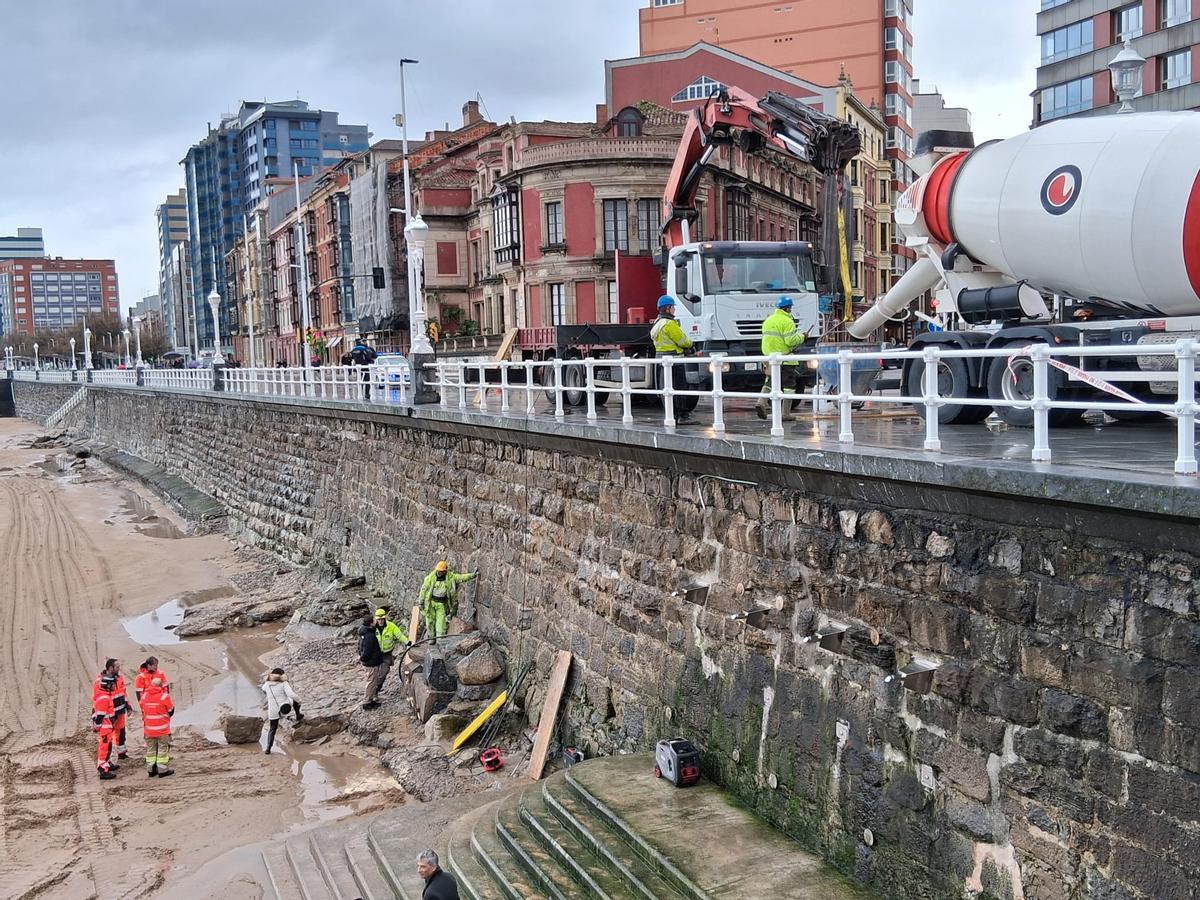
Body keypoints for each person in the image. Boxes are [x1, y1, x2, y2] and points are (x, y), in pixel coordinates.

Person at [756, 296, 806, 421]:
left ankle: (761, 402)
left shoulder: (768, 320)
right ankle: (786, 413)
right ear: (788, 308)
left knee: (770, 381)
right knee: (789, 385)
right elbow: (790, 341)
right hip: (785, 358)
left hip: (770, 358)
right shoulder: (787, 321)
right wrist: (802, 337)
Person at [649, 295, 694, 424]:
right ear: (668, 308)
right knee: (680, 388)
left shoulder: (657, 324)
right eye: (673, 307)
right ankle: (683, 416)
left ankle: (671, 415)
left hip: (661, 361)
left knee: (667, 389)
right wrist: (691, 345)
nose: (674, 310)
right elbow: (683, 341)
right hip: (675, 361)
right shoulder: (669, 324)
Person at [361, 609, 407, 710]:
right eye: (379, 619)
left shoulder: (391, 626)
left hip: (386, 654)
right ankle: (372, 695)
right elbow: (365, 641)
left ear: (385, 618)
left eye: (382, 619)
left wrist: (407, 642)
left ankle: (375, 690)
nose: (381, 621)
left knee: (383, 673)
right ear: (376, 620)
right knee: (374, 676)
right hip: (376, 655)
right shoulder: (372, 629)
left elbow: (399, 635)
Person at [420, 562, 477, 640]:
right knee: (430, 622)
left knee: (441, 623)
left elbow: (461, 578)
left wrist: (472, 575)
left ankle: (440, 640)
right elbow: (423, 590)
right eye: (438, 571)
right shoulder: (430, 578)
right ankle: (431, 639)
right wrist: (421, 602)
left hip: (441, 604)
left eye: (441, 571)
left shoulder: (450, 577)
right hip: (430, 603)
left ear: (444, 571)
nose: (439, 573)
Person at [93, 659, 130, 760]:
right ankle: (105, 761)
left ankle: (121, 752)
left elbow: (123, 692)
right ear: (110, 668)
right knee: (108, 736)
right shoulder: (100, 681)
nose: (119, 669)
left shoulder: (119, 678)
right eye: (117, 667)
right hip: (110, 712)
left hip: (120, 710)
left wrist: (128, 705)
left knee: (121, 732)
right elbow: (97, 698)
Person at [139, 676, 175, 777]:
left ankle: (151, 770)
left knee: (151, 750)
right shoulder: (164, 696)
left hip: (149, 729)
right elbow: (171, 710)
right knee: (162, 750)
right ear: (160, 686)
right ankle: (162, 770)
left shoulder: (145, 696)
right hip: (162, 729)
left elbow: (142, 708)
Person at [262, 667, 303, 754]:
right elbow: (291, 694)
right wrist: (299, 700)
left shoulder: (267, 684)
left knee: (272, 728)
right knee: (295, 700)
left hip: (273, 710)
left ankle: (268, 748)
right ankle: (298, 715)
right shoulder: (284, 683)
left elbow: (263, 689)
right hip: (285, 707)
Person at [93, 675, 119, 780]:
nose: (114, 686)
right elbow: (100, 716)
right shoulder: (104, 698)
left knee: (108, 747)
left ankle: (107, 763)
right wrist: (98, 727)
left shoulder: (105, 696)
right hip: (105, 727)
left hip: (107, 726)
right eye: (112, 684)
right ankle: (102, 768)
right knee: (104, 748)